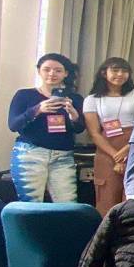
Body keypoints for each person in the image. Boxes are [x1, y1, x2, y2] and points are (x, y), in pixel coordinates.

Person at [8, 53, 86, 202]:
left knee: (68, 204)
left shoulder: (74, 98)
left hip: (63, 155)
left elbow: (80, 129)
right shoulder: (24, 95)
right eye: (47, 69)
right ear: (39, 71)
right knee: (30, 204)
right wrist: (37, 109)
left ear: (66, 73)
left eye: (58, 70)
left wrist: (74, 115)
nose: (52, 74)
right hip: (30, 153)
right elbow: (13, 125)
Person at [83, 57, 134, 214]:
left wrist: (128, 149)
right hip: (106, 150)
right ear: (104, 73)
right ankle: (107, 229)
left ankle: (131, 229)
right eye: (115, 70)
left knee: (133, 196)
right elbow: (94, 133)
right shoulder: (92, 99)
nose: (120, 74)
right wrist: (116, 155)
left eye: (124, 71)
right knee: (106, 196)